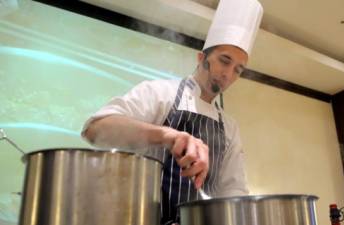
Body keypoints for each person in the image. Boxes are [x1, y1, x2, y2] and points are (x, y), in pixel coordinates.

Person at [81, 0, 263, 224]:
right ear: (201, 58)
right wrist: (167, 135)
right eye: (224, 61)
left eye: (238, 70)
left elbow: (233, 191)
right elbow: (95, 129)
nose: (228, 74)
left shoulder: (229, 127)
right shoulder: (160, 92)